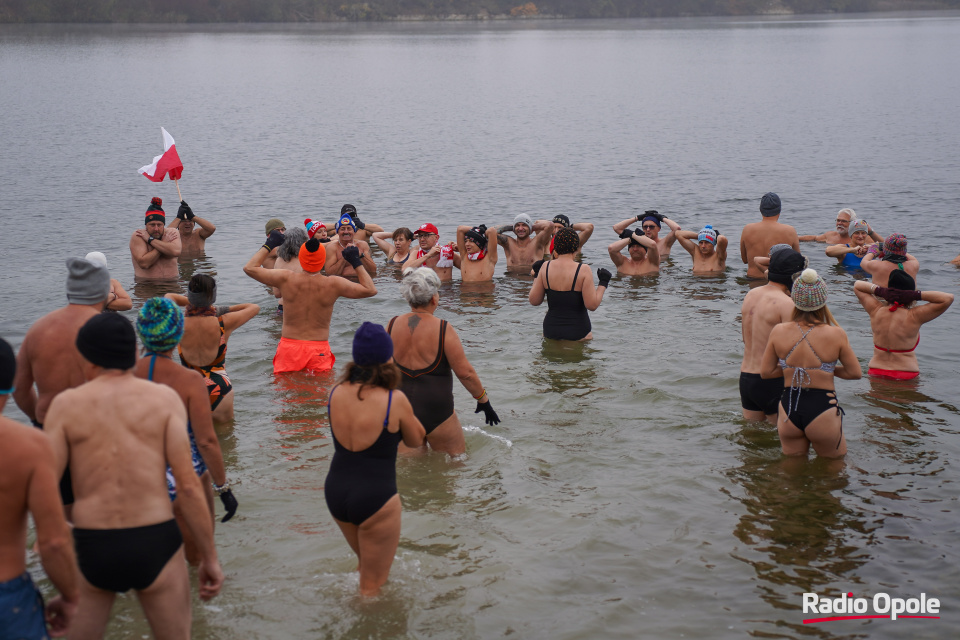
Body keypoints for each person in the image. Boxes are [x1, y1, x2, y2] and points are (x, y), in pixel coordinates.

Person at [44, 313, 223, 638]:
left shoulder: (65, 405)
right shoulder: (163, 399)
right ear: (132, 351)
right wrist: (210, 557)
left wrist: (61, 572)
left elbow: (47, 491)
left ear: (87, 357)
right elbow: (188, 487)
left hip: (93, 542)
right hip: (154, 537)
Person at [324, 322, 426, 597]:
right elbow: (416, 440)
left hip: (336, 493)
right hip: (375, 498)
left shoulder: (335, 392)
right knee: (372, 587)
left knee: (365, 569)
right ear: (387, 358)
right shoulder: (394, 399)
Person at [133, 299, 237, 561]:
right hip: (183, 483)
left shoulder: (127, 374)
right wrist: (224, 489)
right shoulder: (190, 381)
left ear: (142, 332)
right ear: (177, 334)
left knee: (156, 564)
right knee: (198, 563)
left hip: (140, 478)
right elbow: (206, 442)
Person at [14, 257, 111, 506]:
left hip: (51, 430)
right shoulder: (108, 329)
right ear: (103, 291)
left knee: (61, 511)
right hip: (96, 434)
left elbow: (19, 387)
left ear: (69, 290)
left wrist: (37, 418)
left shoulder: (39, 329)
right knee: (101, 510)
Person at [0, 338, 80, 639]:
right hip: (8, 597)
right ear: (10, 384)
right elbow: (53, 542)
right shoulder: (30, 447)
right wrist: (71, 596)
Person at [387, 268, 500, 456]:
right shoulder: (443, 329)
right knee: (456, 465)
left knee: (409, 475)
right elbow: (466, 373)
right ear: (434, 298)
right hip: (438, 412)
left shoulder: (391, 325)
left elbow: (380, 369)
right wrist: (483, 401)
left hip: (402, 411)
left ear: (409, 298)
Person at [760, 269, 862, 457]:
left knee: (791, 472)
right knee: (834, 470)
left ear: (794, 299)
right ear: (823, 300)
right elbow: (855, 373)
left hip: (788, 406)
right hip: (822, 407)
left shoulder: (778, 331)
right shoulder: (836, 334)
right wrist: (826, 369)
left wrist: (792, 369)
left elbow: (765, 372)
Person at [244, 233, 377, 374]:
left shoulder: (286, 279)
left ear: (301, 258)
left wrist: (268, 244)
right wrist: (356, 261)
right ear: (322, 259)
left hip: (289, 348)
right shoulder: (333, 284)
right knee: (319, 395)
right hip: (318, 349)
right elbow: (370, 290)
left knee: (287, 394)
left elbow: (249, 268)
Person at [164, 274, 259, 423]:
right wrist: (220, 309)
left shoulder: (178, 322)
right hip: (220, 388)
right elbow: (254, 307)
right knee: (227, 441)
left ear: (190, 295)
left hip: (190, 388)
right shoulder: (224, 322)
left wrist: (195, 302)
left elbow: (169, 296)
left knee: (192, 440)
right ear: (212, 297)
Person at [739, 247, 807, 423]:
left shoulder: (751, 294)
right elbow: (795, 352)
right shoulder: (787, 304)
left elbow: (745, 339)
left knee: (752, 438)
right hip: (771, 380)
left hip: (746, 377)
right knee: (782, 440)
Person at [853, 272, 954, 380]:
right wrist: (915, 295)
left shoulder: (875, 310)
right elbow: (948, 298)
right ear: (910, 295)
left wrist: (881, 291)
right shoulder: (914, 316)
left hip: (876, 372)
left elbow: (857, 285)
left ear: (888, 291)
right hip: (906, 374)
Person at [529, 227, 611, 341]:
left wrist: (537, 276)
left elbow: (534, 301)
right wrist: (603, 283)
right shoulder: (583, 269)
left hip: (551, 331)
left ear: (556, 246)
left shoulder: (545, 267)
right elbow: (592, 305)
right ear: (576, 247)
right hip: (578, 332)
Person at [740, 193, 801, 279]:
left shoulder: (747, 229)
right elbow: (797, 263)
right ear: (779, 209)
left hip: (752, 281)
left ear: (760, 209)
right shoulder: (790, 230)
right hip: (778, 282)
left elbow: (745, 260)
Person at [129, 197, 182, 280]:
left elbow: (176, 251)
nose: (156, 229)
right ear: (146, 225)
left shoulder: (172, 232)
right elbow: (144, 263)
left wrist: (150, 240)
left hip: (172, 284)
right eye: (152, 225)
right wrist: (164, 243)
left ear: (164, 225)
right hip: (147, 285)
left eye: (159, 225)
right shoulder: (139, 235)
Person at [613, 210, 681, 257]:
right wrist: (637, 218)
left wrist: (662, 218)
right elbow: (616, 228)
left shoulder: (665, 242)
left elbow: (677, 228)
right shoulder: (638, 240)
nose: (648, 229)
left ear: (659, 229)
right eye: (645, 227)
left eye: (651, 227)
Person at [273, 226, 308, 314]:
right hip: (302, 307)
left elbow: (277, 294)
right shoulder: (307, 261)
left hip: (282, 308)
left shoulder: (279, 260)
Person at [799, 208, 882, 245]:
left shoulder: (862, 238)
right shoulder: (830, 235)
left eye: (843, 221)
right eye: (838, 220)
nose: (840, 223)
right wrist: (795, 238)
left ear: (852, 223)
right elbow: (814, 238)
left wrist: (871, 232)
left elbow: (885, 246)